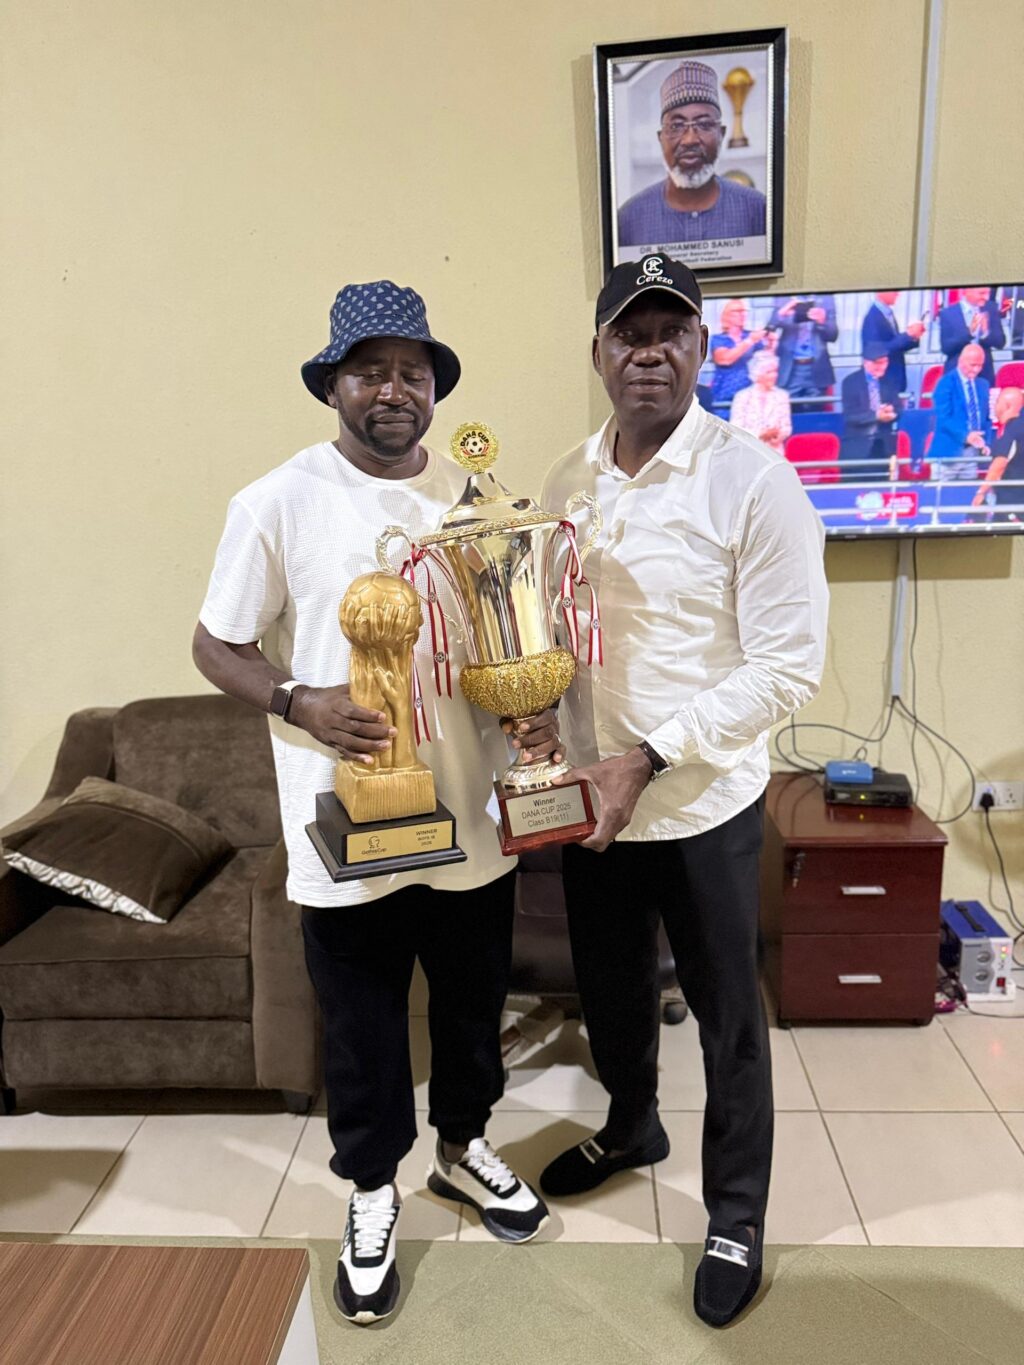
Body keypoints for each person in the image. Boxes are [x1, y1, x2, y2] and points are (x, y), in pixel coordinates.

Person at [193, 281, 549, 1327]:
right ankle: (371, 1189)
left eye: (412, 371)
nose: (393, 389)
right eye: (370, 371)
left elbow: (510, 636)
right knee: (360, 1025)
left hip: (469, 815)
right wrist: (298, 699)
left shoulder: (475, 498)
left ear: (435, 389)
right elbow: (215, 643)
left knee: (474, 1007)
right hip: (343, 821)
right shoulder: (275, 501)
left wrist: (531, 712)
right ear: (332, 386)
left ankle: (464, 1148)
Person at [539, 254, 828, 1328]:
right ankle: (631, 1127)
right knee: (612, 995)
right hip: (594, 807)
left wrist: (647, 758)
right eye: (630, 332)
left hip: (702, 807)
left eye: (671, 332)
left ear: (702, 349)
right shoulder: (565, 482)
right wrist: (536, 722)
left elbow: (787, 667)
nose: (649, 352)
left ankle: (736, 1213)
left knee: (726, 1021)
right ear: (599, 352)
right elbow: (550, 632)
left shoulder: (755, 481)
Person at [618, 61, 766, 248]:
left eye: (704, 124)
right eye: (676, 126)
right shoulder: (628, 219)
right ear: (660, 138)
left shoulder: (758, 210)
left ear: (721, 134)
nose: (690, 140)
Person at [840, 342, 904, 481]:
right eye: (877, 363)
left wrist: (891, 412)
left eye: (885, 362)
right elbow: (850, 416)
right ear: (865, 362)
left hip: (883, 446)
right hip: (857, 447)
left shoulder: (889, 381)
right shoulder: (850, 382)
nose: (882, 367)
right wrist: (875, 416)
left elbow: (899, 408)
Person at [930, 341, 993, 480]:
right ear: (961, 361)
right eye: (973, 365)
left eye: (980, 365)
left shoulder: (983, 384)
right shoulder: (945, 383)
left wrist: (986, 442)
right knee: (942, 493)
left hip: (972, 453)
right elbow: (943, 418)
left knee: (967, 492)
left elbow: (987, 418)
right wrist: (966, 436)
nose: (976, 370)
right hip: (948, 453)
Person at [767, 293, 838, 403]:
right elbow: (769, 329)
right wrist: (782, 313)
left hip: (817, 368)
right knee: (787, 409)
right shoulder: (783, 297)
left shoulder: (826, 297)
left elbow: (833, 336)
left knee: (816, 410)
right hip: (789, 370)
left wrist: (822, 322)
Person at [972, 386, 1024, 523]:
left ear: (1007, 406)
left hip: (1013, 502)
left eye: (997, 402)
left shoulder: (1012, 430)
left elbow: (999, 464)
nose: (995, 407)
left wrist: (982, 491)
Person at [860, 291, 926, 394]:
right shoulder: (872, 317)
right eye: (893, 290)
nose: (897, 294)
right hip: (882, 382)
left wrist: (913, 337)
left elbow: (895, 344)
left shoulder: (887, 314)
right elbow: (876, 351)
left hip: (894, 381)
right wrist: (907, 335)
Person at [939, 286, 1007, 385]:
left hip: (985, 374)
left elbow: (1001, 343)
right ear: (967, 291)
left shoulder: (991, 310)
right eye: (981, 293)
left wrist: (985, 333)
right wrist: (969, 333)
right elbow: (946, 348)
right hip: (957, 373)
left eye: (988, 293)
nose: (986, 297)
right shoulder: (948, 313)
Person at [710, 299, 769, 410]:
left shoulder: (749, 334)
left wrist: (771, 341)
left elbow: (768, 357)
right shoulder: (719, 339)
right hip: (725, 389)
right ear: (727, 315)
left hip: (747, 389)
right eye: (737, 311)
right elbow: (724, 360)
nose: (742, 314)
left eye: (744, 311)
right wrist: (750, 341)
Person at [728, 352, 792, 453]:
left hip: (774, 450)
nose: (774, 375)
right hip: (748, 449)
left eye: (775, 371)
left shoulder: (782, 396)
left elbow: (786, 426)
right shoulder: (742, 396)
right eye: (769, 372)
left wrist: (778, 436)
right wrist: (760, 434)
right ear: (757, 374)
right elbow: (735, 427)